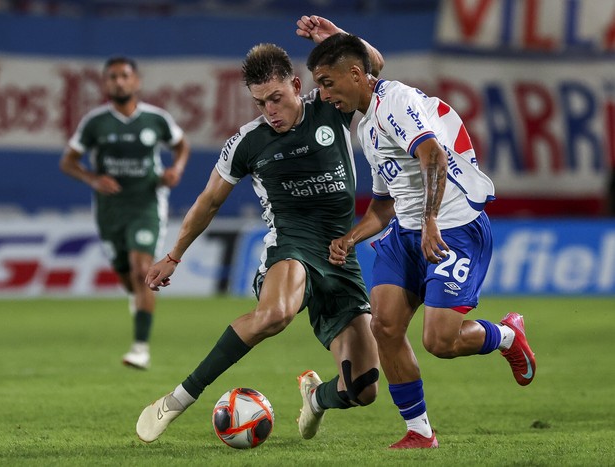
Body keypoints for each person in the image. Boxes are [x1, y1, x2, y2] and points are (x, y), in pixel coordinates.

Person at [135, 16, 385, 443]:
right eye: (259, 103)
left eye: (275, 98)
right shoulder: (248, 143)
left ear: (294, 84)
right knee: (275, 315)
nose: (270, 111)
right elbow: (209, 201)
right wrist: (174, 254)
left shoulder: (331, 107)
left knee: (363, 389)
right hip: (291, 246)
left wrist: (340, 38)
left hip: (342, 256)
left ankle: (316, 399)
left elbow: (374, 68)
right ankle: (176, 399)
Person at [307, 33, 537, 449]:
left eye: (326, 82)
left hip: (453, 230)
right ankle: (419, 432)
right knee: (385, 326)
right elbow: (384, 204)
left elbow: (434, 154)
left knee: (440, 342)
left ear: (356, 74)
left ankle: (506, 335)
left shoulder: (396, 101)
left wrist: (431, 219)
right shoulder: (367, 129)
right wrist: (351, 237)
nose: (322, 95)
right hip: (407, 232)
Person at [59, 56, 190, 370]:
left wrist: (176, 169)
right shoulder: (95, 122)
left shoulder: (155, 119)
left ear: (136, 81)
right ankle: (138, 300)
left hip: (146, 203)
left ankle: (140, 348)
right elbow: (68, 161)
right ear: (106, 84)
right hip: (110, 209)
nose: (119, 81)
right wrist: (93, 178)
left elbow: (181, 144)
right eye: (113, 77)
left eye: (124, 76)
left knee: (141, 266)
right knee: (125, 274)